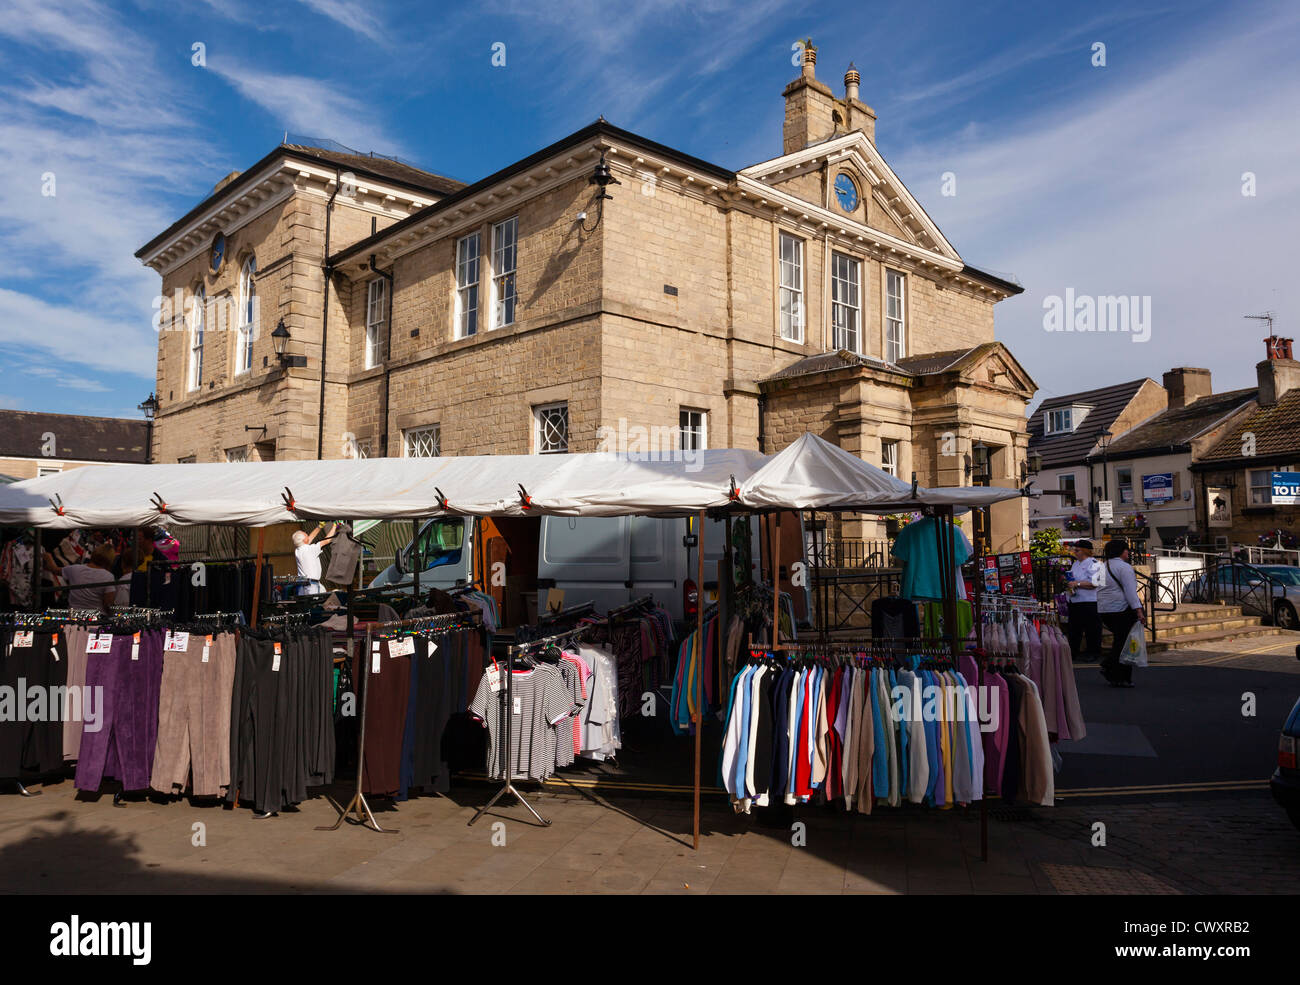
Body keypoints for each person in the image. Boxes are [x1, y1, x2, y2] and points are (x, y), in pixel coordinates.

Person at [1097, 538, 1144, 687]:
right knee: (1123, 643)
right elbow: (1131, 592)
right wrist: (1139, 611)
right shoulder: (1125, 568)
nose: (1128, 552)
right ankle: (1118, 674)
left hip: (1104, 609)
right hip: (1121, 609)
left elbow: (1098, 587)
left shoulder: (1102, 567)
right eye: (1126, 549)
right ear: (1121, 551)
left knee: (1119, 640)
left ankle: (1111, 668)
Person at [1065, 540, 1104, 663]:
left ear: (1085, 551)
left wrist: (1077, 583)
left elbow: (1095, 583)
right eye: (1074, 550)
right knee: (1074, 629)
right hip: (1076, 600)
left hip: (1090, 601)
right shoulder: (1076, 564)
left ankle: (1093, 652)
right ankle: (1073, 652)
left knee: (1092, 630)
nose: (1074, 552)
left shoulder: (1095, 564)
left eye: (1077, 550)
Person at [58, 544, 118, 615]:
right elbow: (108, 604)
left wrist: (47, 555)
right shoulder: (108, 577)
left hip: (74, 616)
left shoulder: (75, 569)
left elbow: (54, 569)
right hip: (97, 618)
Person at [293, 522, 337, 595]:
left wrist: (319, 526)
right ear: (304, 540)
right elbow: (327, 540)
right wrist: (335, 525)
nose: (308, 535)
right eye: (306, 535)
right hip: (312, 586)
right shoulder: (310, 549)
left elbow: (309, 539)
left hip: (303, 585)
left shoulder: (298, 550)